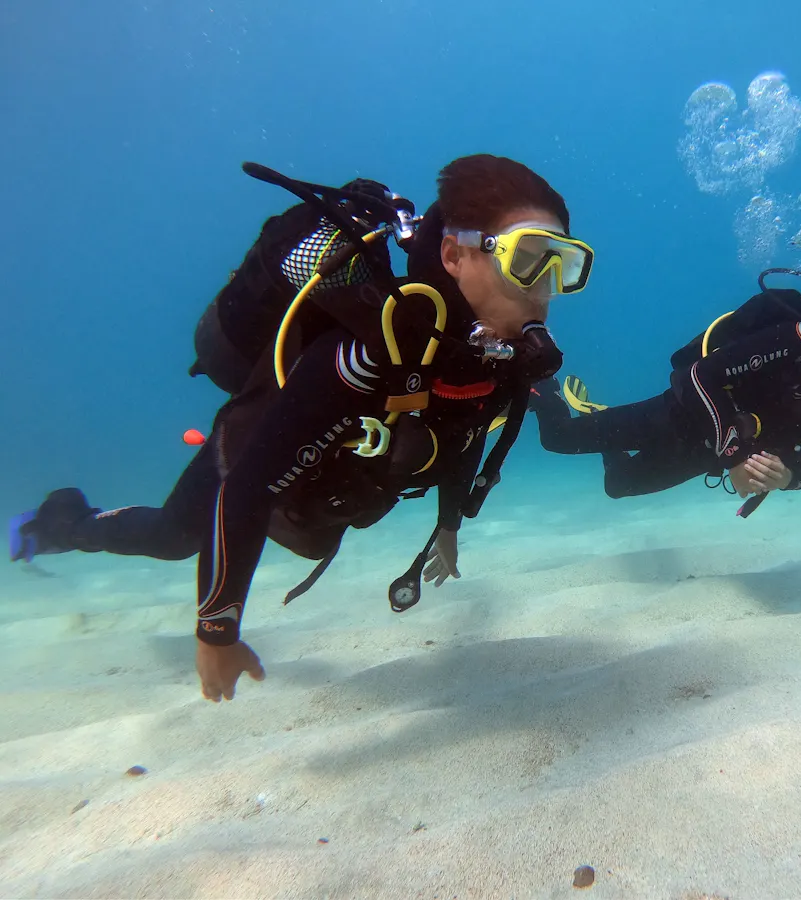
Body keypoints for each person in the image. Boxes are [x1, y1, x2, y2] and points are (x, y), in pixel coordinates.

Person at [8, 154, 595, 702]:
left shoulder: (499, 360)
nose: (544, 287)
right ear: (453, 256)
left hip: (329, 486)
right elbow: (247, 487)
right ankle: (62, 522)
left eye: (563, 266)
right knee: (173, 536)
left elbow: (464, 438)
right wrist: (218, 630)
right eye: (526, 258)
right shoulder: (374, 348)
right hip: (253, 446)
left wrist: (447, 526)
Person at [529, 268, 801, 513]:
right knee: (556, 438)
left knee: (617, 486)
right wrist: (738, 457)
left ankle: (604, 427)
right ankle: (537, 383)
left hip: (707, 456)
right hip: (679, 414)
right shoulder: (800, 339)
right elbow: (693, 378)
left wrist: (786, 476)